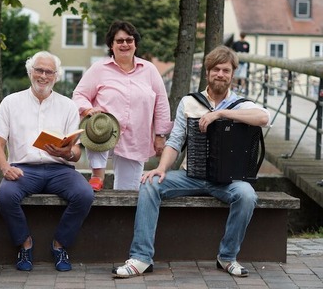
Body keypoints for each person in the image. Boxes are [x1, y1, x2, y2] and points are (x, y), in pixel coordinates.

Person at [112, 45, 270, 278]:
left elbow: (264, 117)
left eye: (226, 70)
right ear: (207, 73)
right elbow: (175, 140)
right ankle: (141, 257)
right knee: (149, 184)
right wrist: (161, 168)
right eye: (216, 69)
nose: (220, 74)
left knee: (247, 195)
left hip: (227, 181)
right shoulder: (189, 102)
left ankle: (227, 257)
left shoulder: (242, 105)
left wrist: (221, 114)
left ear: (232, 74)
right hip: (190, 175)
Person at [0, 51, 94, 272]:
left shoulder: (67, 105)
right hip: (24, 169)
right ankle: (25, 244)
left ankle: (59, 244)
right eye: (39, 70)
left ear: (56, 76)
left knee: (85, 194)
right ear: (30, 72)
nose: (43, 76)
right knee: (5, 195)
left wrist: (65, 153)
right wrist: (5, 167)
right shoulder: (11, 102)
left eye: (49, 72)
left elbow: (76, 151)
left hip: (60, 169)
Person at [73, 20, 172, 191]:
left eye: (129, 40)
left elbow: (161, 103)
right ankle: (98, 175)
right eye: (119, 41)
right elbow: (79, 95)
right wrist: (89, 109)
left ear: (135, 44)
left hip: (136, 136)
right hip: (104, 132)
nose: (125, 44)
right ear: (111, 45)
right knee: (97, 125)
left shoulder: (149, 70)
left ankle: (122, 218)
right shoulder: (99, 69)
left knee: (128, 191)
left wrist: (160, 135)